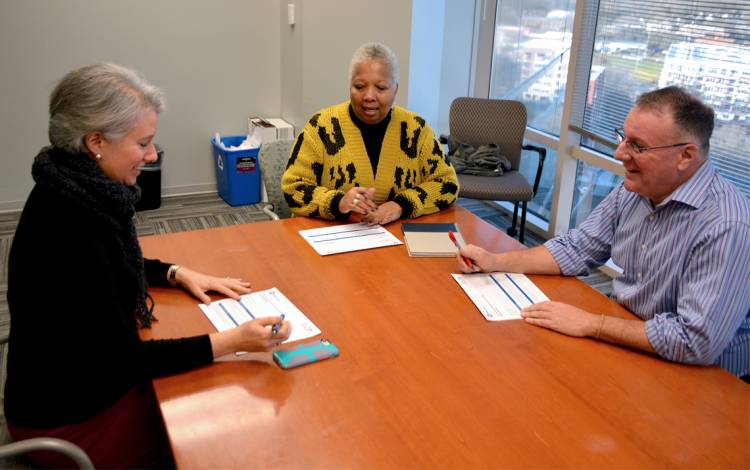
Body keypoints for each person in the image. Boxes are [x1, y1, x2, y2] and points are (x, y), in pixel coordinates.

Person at [4, 63, 292, 468]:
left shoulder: (71, 187)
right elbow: (123, 362)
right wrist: (232, 342)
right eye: (143, 144)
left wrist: (175, 272)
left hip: (66, 385)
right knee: (219, 432)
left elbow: (113, 261)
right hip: (69, 422)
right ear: (95, 142)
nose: (153, 156)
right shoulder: (71, 224)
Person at [457, 86, 750, 379]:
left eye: (638, 146)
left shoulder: (726, 225)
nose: (619, 153)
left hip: (706, 378)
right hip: (631, 336)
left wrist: (593, 324)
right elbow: (577, 249)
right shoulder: (635, 190)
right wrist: (495, 262)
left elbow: (695, 341)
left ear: (686, 156)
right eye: (623, 137)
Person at [281, 42, 459, 225]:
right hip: (333, 237)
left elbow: (448, 184)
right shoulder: (321, 127)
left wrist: (401, 205)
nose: (369, 96)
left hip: (396, 238)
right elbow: (293, 187)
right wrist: (338, 202)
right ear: (349, 86)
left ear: (395, 89)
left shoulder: (417, 130)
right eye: (359, 86)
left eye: (381, 88)